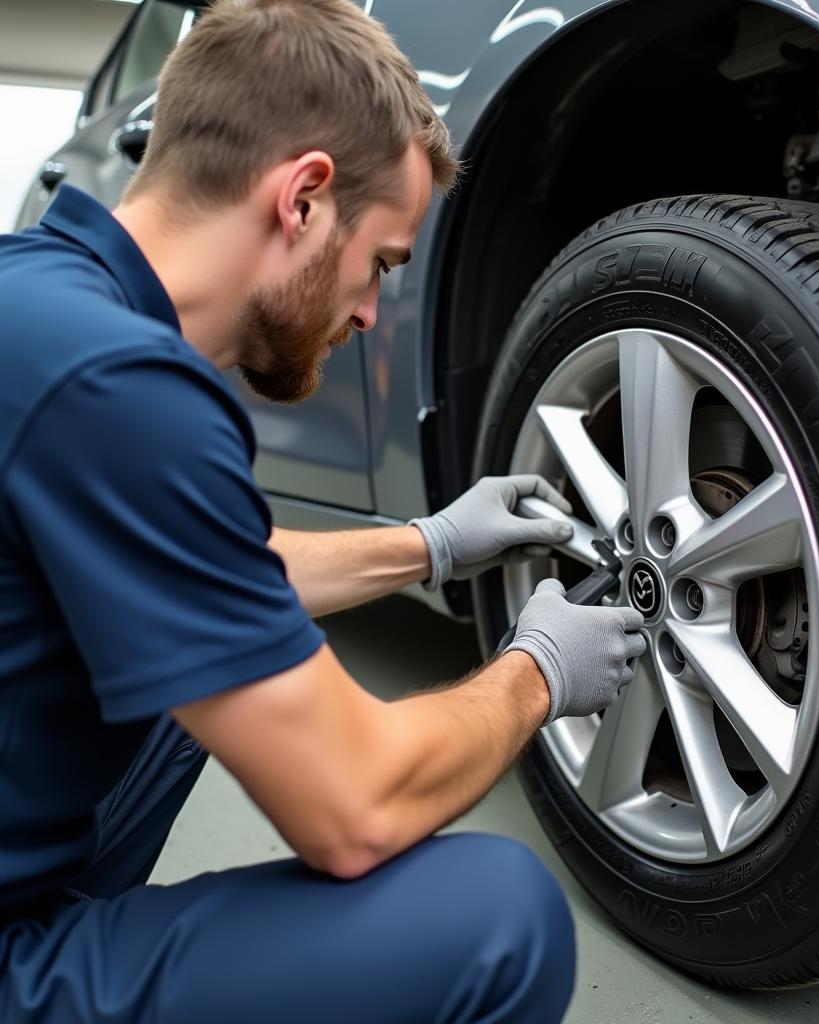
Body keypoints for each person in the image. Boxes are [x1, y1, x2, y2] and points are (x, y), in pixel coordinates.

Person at [0, 2, 646, 1021]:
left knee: (227, 651)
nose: (369, 312)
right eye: (382, 263)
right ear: (302, 198)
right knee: (500, 916)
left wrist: (429, 546)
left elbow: (215, 568)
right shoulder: (123, 387)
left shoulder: (37, 291)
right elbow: (355, 808)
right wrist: (536, 673)